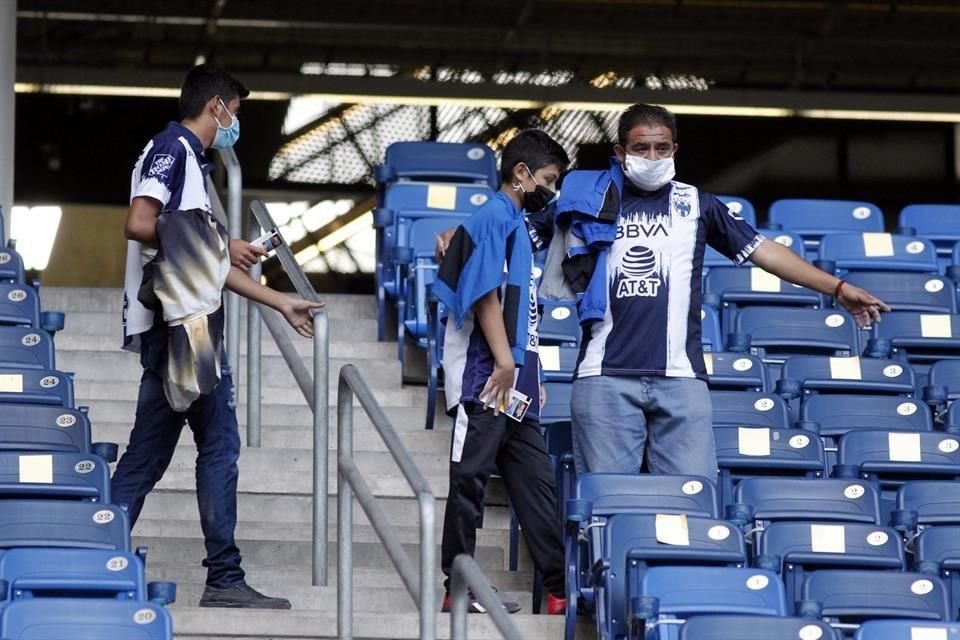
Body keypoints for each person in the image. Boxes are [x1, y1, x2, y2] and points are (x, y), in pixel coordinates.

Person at [547, 103, 889, 479]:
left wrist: (837, 287)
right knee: (610, 500)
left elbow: (767, 252)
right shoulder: (587, 202)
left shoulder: (697, 204)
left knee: (692, 498)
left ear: (675, 150)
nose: (652, 157)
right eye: (641, 148)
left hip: (681, 379)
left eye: (662, 148)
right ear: (620, 153)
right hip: (604, 376)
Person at [114, 65, 322, 609]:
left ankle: (98, 554)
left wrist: (277, 299)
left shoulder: (189, 160)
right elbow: (139, 221)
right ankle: (221, 578)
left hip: (191, 328)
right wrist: (214, 241)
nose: (236, 125)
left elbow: (201, 260)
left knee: (160, 455)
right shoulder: (173, 149)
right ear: (218, 107)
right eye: (236, 113)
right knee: (208, 450)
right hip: (185, 332)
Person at [432, 129, 569, 615]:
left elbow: (521, 309)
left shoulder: (516, 225)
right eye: (549, 180)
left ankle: (559, 591)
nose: (552, 189)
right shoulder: (493, 215)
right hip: (485, 376)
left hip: (516, 382)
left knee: (537, 484)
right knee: (469, 478)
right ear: (522, 174)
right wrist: (508, 363)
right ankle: (458, 586)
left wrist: (533, 373)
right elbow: (485, 295)